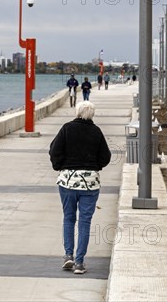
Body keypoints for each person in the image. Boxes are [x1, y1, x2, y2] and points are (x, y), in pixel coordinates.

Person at [49, 101, 111, 275]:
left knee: (69, 218)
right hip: (90, 183)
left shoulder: (67, 129)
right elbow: (106, 156)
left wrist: (60, 166)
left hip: (68, 182)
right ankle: (79, 262)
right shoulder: (96, 132)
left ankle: (68, 255)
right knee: (85, 222)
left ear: (77, 112)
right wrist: (95, 166)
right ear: (92, 114)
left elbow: (54, 150)